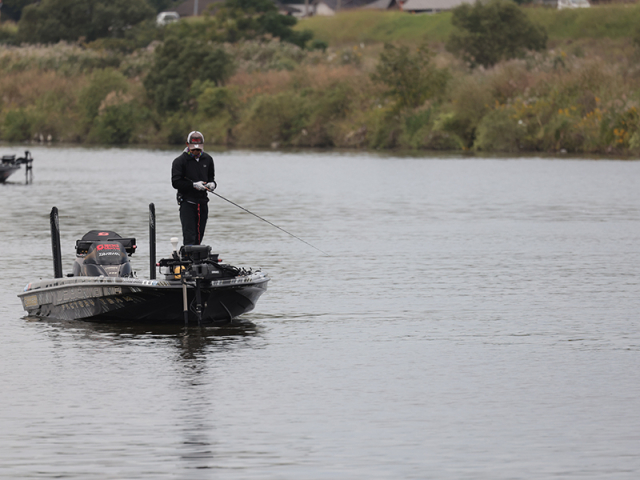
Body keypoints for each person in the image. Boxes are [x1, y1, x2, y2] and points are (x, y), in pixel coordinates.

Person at [171, 131, 217, 246]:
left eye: (198, 149)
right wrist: (193, 185)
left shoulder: (208, 159)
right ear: (187, 144)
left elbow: (211, 177)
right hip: (187, 202)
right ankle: (188, 259)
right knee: (190, 235)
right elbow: (176, 182)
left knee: (199, 234)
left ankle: (198, 259)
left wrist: (212, 185)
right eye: (193, 149)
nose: (196, 152)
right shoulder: (179, 161)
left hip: (202, 203)